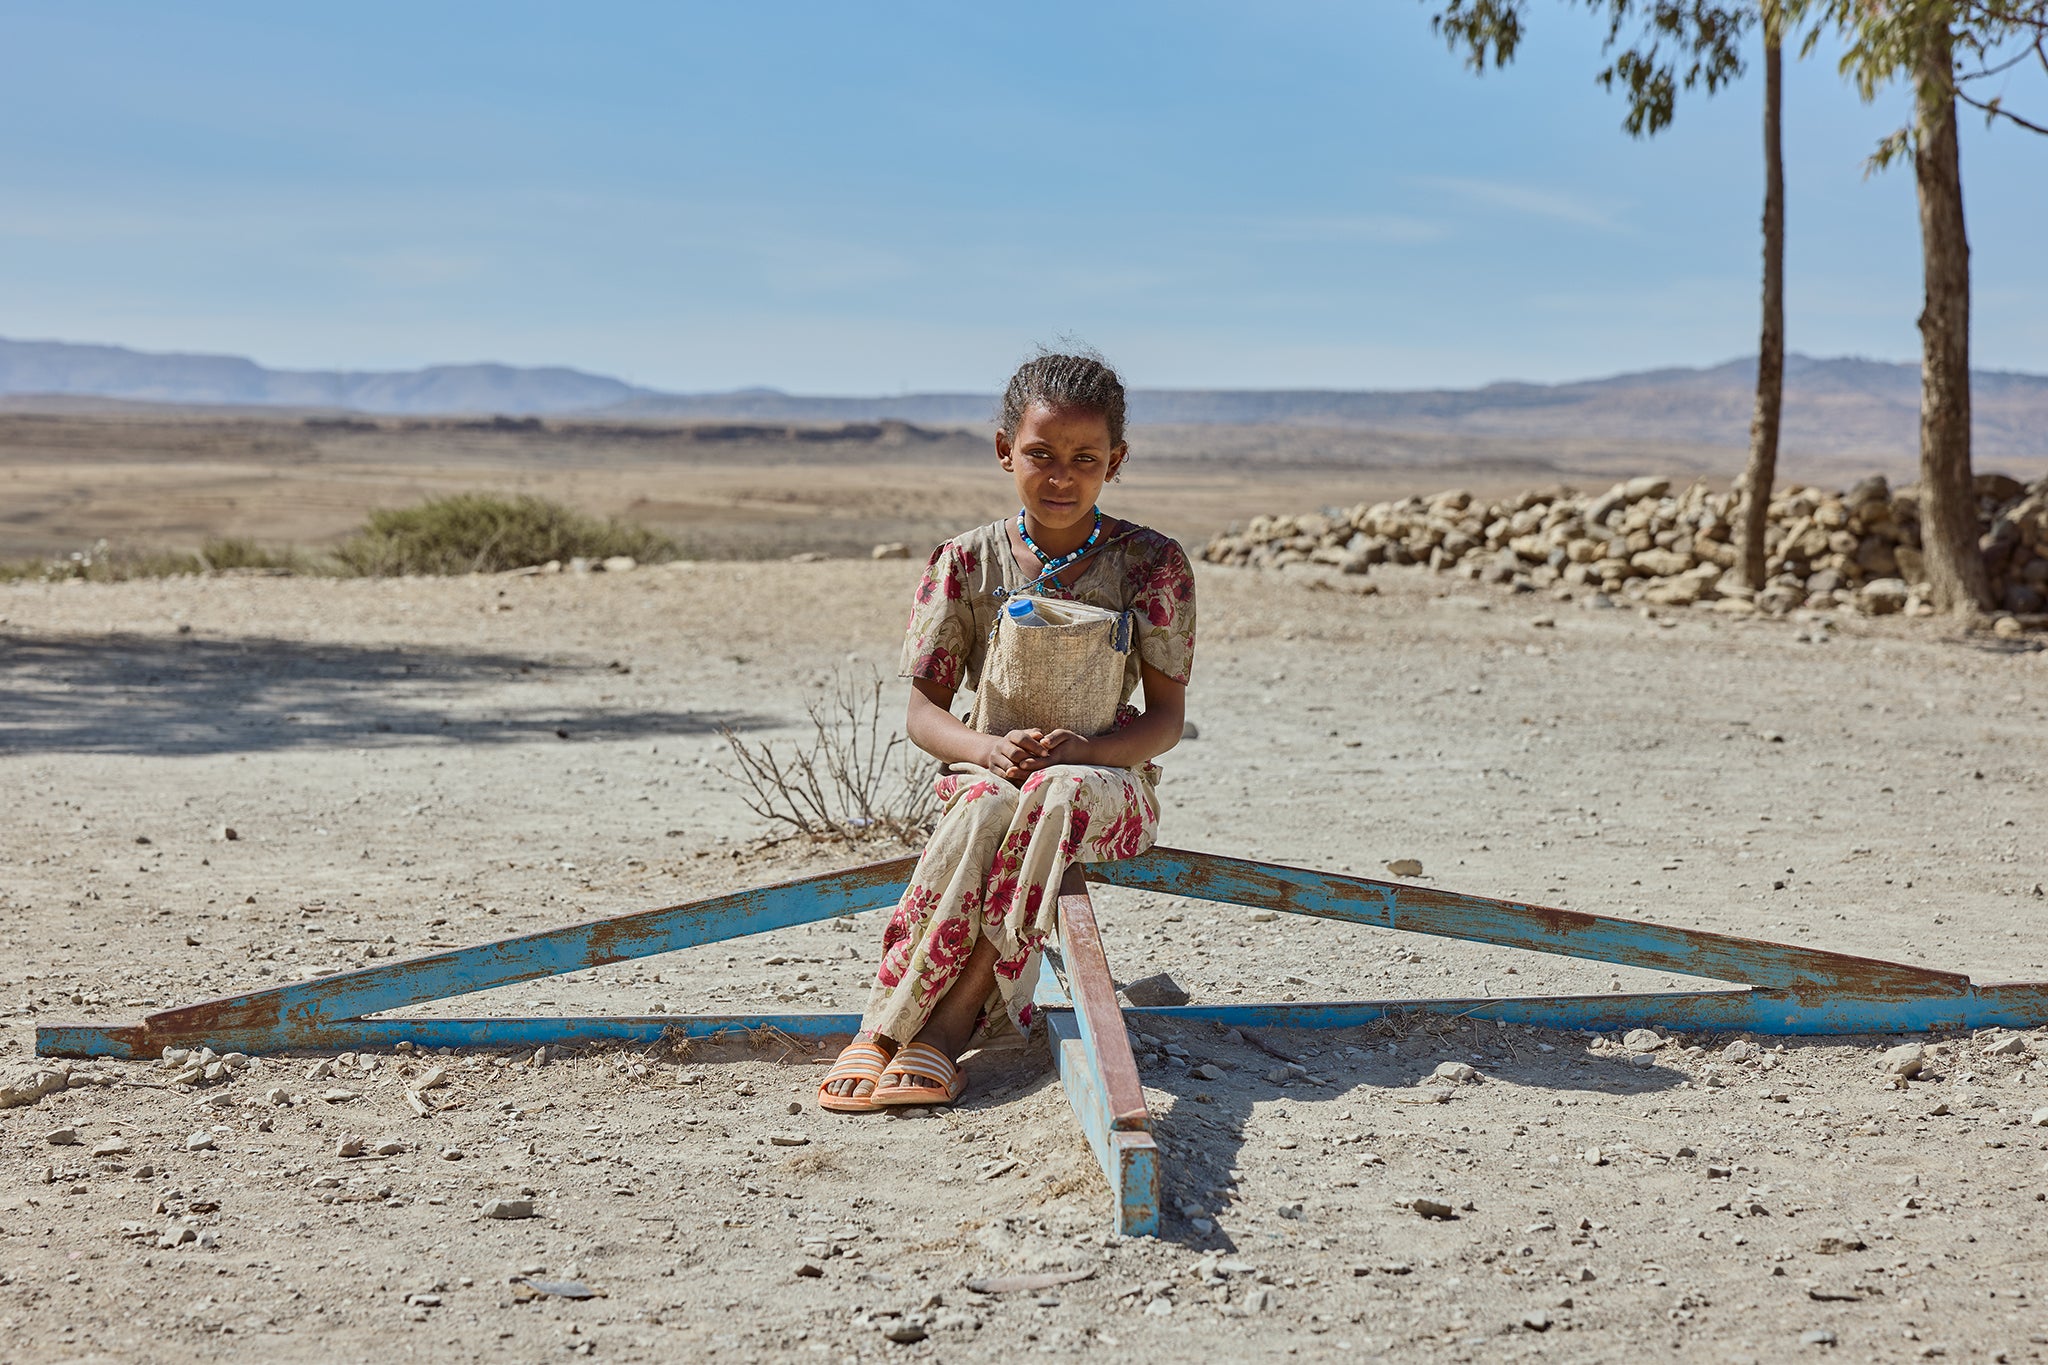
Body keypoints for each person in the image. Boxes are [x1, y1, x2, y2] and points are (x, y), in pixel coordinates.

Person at [818, 350, 1196, 1112]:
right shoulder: (965, 562)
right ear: (1004, 452)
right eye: (1041, 455)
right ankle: (888, 1031)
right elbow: (924, 713)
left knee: (1054, 791)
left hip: (1107, 789)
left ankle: (943, 1026)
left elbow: (1163, 719)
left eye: (1085, 459)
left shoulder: (1151, 564)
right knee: (992, 805)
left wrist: (1086, 750)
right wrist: (987, 748)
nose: (1062, 476)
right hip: (987, 777)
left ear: (1114, 463)